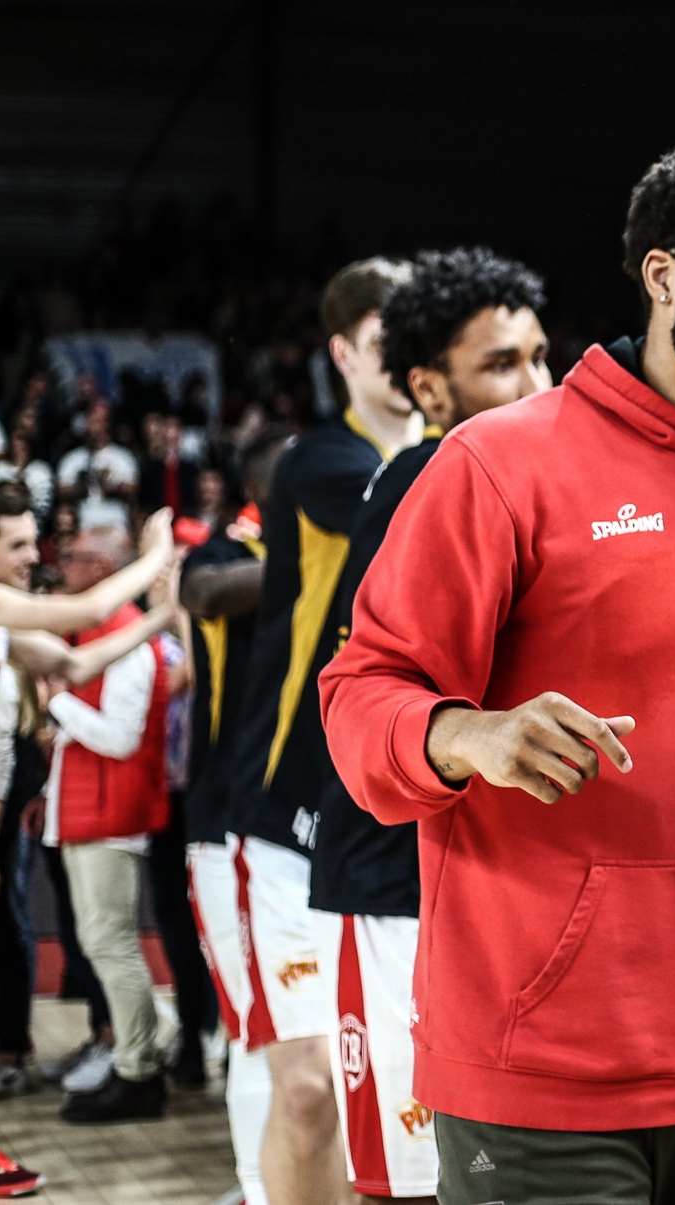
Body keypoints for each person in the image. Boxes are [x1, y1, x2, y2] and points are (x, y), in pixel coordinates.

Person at [321, 140, 675, 1205]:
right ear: (663, 275)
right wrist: (467, 734)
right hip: (538, 1070)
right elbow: (361, 694)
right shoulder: (500, 462)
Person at [311, 246, 551, 1202]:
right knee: (415, 1179)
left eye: (541, 356)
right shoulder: (427, 478)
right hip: (396, 871)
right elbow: (369, 686)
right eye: (503, 365)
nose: (538, 384)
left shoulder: (522, 467)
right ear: (428, 386)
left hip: (484, 874)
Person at [234, 257, 420, 1205]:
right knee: (306, 1089)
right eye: (390, 340)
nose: (407, 358)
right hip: (283, 813)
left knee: (398, 1108)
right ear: (344, 352)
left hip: (380, 817)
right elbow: (408, 502)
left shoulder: (442, 458)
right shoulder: (322, 461)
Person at [183, 427, 294, 1205]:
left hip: (307, 827)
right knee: (256, 1026)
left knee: (306, 1030)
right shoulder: (223, 551)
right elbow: (209, 595)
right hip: (227, 825)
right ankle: (259, 1188)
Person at [39, 522, 181, 1121]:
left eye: (73, 557)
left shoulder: (123, 637)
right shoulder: (107, 631)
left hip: (109, 813)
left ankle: (138, 1067)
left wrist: (56, 700)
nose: (60, 563)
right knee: (104, 942)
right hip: (91, 808)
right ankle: (137, 1055)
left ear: (102, 568)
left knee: (111, 942)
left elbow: (121, 739)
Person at [57, 400, 140, 530]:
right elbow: (61, 491)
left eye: (97, 422)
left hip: (115, 525)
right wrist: (80, 488)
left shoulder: (122, 456)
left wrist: (112, 485)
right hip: (83, 526)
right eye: (90, 422)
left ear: (107, 425)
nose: (93, 427)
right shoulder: (73, 458)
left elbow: (133, 490)